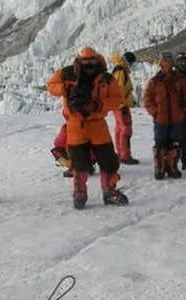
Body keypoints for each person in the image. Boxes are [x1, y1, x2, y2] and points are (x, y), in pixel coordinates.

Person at [47, 47, 128, 209]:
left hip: (97, 123)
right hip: (76, 124)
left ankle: (109, 191)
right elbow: (51, 86)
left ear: (97, 59)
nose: (89, 64)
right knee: (79, 162)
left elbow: (117, 98)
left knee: (108, 161)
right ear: (79, 60)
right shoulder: (67, 74)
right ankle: (80, 193)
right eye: (85, 61)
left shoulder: (106, 78)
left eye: (91, 61)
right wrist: (65, 88)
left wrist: (98, 105)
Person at [143, 52, 186, 180]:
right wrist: (154, 112)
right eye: (164, 60)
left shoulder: (180, 80)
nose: (167, 63)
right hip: (160, 119)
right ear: (160, 63)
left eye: (169, 60)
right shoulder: (154, 81)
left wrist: (184, 112)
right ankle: (160, 168)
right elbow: (147, 98)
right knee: (160, 144)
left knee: (174, 144)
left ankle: (172, 167)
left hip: (176, 118)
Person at [110, 51, 140, 165]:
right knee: (126, 130)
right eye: (131, 63)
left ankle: (120, 153)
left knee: (120, 129)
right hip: (121, 106)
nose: (131, 66)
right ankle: (125, 155)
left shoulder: (119, 70)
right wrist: (122, 104)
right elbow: (119, 89)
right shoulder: (121, 72)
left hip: (118, 105)